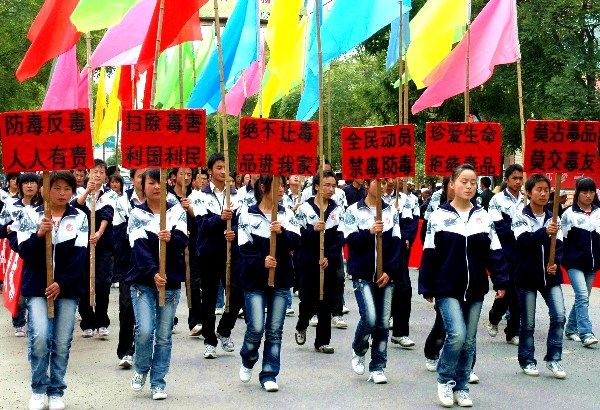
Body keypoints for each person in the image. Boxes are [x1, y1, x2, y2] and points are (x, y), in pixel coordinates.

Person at [419, 164, 507, 407]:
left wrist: (501, 281)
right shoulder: (438, 217)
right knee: (456, 334)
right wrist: (427, 285)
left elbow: (495, 251)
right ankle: (445, 380)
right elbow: (429, 252)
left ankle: (462, 386)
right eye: (464, 181)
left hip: (476, 288)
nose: (469, 186)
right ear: (452, 184)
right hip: (447, 287)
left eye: (473, 182)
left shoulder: (483, 216)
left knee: (469, 340)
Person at [14, 171, 88, 410]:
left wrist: (62, 282)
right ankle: (38, 388)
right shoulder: (30, 215)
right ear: (45, 189)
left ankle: (56, 390)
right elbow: (24, 250)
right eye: (56, 188)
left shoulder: (80, 218)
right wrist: (39, 235)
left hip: (67, 289)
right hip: (37, 287)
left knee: (62, 340)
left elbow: (80, 256)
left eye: (67, 189)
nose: (62, 193)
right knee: (40, 337)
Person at [128, 169, 188, 400]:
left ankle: (158, 381)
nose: (155, 187)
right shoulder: (137, 214)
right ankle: (141, 368)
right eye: (151, 182)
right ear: (143, 186)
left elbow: (184, 240)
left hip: (170, 282)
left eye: (160, 182)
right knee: (144, 330)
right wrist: (153, 272)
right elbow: (139, 248)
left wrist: (171, 238)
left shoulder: (176, 212)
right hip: (143, 281)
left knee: (164, 335)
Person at [238, 175, 300, 392]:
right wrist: (261, 261)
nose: (282, 189)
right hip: (254, 281)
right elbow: (243, 250)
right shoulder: (247, 214)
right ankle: (248, 356)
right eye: (278, 185)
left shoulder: (287, 214)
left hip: (281, 279)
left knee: (274, 330)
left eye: (283, 185)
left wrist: (281, 233)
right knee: (255, 327)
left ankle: (269, 373)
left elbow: (296, 241)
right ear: (264, 187)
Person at [340, 178, 401, 384]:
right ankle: (359, 348)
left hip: (386, 275)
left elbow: (397, 242)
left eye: (386, 183)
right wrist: (370, 232)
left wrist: (390, 271)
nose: (383, 187)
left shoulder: (391, 211)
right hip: (362, 274)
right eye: (379, 182)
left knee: (383, 322)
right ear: (367, 184)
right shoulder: (353, 211)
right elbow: (350, 240)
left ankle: (378, 366)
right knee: (370, 316)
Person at [190, 153, 244, 359]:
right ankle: (209, 340)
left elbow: (243, 221)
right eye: (219, 167)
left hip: (232, 251)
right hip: (209, 252)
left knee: (237, 293)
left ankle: (224, 330)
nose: (223, 171)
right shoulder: (200, 195)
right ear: (210, 170)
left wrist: (235, 231)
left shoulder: (237, 194)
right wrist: (220, 220)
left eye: (225, 167)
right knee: (210, 297)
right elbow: (201, 225)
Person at [513, 174, 567, 379]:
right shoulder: (520, 216)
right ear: (529, 192)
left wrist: (555, 263)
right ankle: (527, 360)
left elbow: (559, 245)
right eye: (539, 189)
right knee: (527, 322)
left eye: (546, 189)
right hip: (526, 275)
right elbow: (523, 243)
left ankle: (554, 358)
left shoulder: (554, 217)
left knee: (559, 316)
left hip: (550, 276)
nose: (543, 193)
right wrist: (545, 232)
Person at [294, 171, 344, 353]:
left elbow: (339, 236)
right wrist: (313, 230)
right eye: (327, 185)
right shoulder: (304, 209)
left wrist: (329, 257)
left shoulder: (337, 209)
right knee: (308, 299)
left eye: (333, 186)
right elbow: (297, 236)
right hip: (308, 260)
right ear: (316, 187)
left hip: (328, 261)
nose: (331, 189)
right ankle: (302, 324)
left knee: (326, 300)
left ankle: (322, 340)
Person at [73, 159, 118, 339]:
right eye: (94, 171)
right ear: (87, 173)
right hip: (82, 244)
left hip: (103, 243)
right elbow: (76, 207)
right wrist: (87, 191)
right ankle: (87, 322)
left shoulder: (110, 195)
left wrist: (98, 233)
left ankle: (101, 321)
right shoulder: (77, 191)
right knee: (83, 283)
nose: (97, 174)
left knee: (102, 282)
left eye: (101, 172)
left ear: (105, 176)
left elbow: (108, 214)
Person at [0, 172, 43, 337]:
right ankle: (18, 322)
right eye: (26, 183)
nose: (30, 186)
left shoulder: (43, 206)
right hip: (17, 253)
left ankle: (35, 321)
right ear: (19, 185)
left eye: (33, 182)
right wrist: (9, 229)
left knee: (33, 288)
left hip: (37, 252)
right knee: (17, 288)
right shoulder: (11, 206)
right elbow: (1, 228)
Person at [486, 164, 524, 345]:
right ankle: (494, 317)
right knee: (506, 289)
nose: (518, 181)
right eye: (514, 178)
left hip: (522, 252)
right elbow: (499, 227)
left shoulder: (526, 199)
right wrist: (520, 228)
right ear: (506, 179)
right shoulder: (497, 200)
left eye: (520, 178)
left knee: (518, 293)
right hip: (502, 250)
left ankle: (512, 331)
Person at [112, 168, 146, 370]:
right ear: (132, 179)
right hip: (129, 263)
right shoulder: (123, 202)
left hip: (152, 264)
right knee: (127, 306)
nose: (144, 181)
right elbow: (118, 235)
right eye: (140, 177)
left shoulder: (162, 201)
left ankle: (146, 351)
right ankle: (125, 350)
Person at [560, 177, 599, 347]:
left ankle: (570, 328)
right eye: (584, 192)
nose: (588, 195)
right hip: (574, 263)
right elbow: (562, 239)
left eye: (591, 191)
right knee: (582, 295)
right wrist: (564, 259)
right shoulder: (569, 214)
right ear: (578, 193)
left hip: (592, 263)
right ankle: (586, 333)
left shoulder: (598, 212)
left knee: (583, 297)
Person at [384, 179, 419, 349]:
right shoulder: (372, 199)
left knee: (403, 288)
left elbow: (412, 222)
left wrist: (406, 237)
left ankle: (400, 332)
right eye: (384, 179)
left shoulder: (407, 199)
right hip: (377, 249)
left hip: (398, 249)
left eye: (392, 178)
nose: (389, 182)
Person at [169, 168, 203, 337]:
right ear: (174, 176)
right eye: (183, 174)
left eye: (190, 174)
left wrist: (190, 209)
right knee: (170, 281)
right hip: (171, 244)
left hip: (191, 244)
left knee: (194, 282)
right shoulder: (166, 196)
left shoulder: (196, 196)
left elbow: (201, 221)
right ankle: (169, 319)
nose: (187, 177)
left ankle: (195, 320)